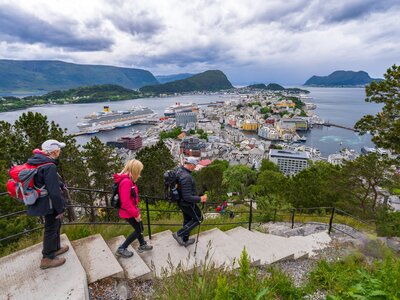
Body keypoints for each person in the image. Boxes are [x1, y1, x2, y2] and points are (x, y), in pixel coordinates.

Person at [27, 139, 68, 269]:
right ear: (54, 151)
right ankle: (47, 258)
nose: (60, 152)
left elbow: (43, 181)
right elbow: (54, 192)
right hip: (49, 203)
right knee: (51, 227)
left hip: (42, 201)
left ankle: (55, 248)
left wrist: (60, 184)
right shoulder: (49, 166)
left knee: (55, 224)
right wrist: (60, 208)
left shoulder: (38, 161)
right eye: (59, 149)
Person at [114, 159, 153, 258]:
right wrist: (136, 214)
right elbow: (125, 202)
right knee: (139, 229)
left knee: (139, 228)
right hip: (129, 212)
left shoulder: (127, 179)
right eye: (139, 171)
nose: (140, 173)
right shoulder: (126, 182)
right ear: (135, 171)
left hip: (131, 210)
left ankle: (142, 244)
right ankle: (122, 248)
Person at [172, 157, 207, 246]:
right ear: (190, 165)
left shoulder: (179, 171)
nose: (195, 168)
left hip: (181, 202)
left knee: (187, 220)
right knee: (199, 219)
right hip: (187, 204)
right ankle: (179, 234)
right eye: (194, 166)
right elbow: (187, 196)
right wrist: (200, 199)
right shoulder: (186, 177)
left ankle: (185, 240)